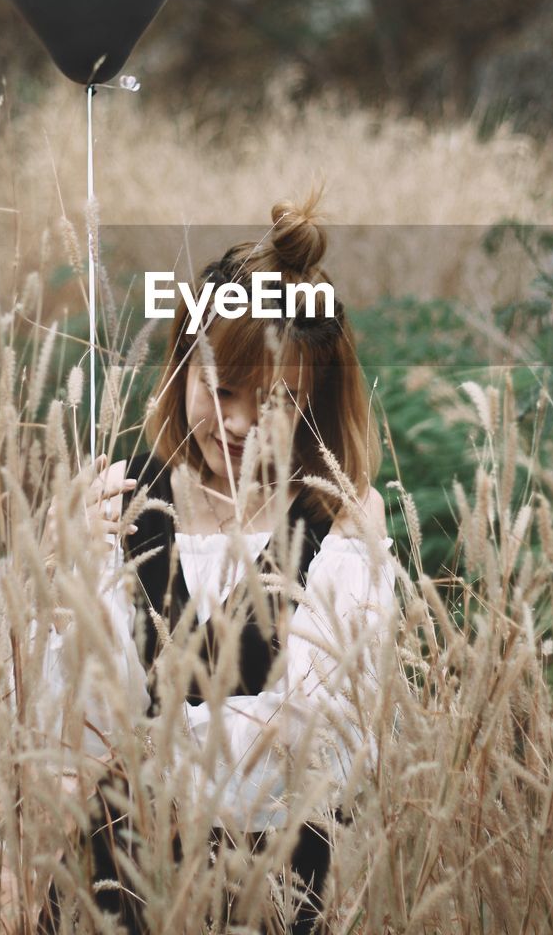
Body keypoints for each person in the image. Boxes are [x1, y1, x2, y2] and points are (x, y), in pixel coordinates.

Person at [37, 192, 396, 934]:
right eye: (219, 388)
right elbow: (74, 726)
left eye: (270, 401)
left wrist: (150, 756)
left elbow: (318, 741)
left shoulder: (335, 520)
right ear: (180, 368)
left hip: (266, 894)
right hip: (115, 888)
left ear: (310, 402)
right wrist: (60, 569)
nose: (234, 424)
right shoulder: (121, 498)